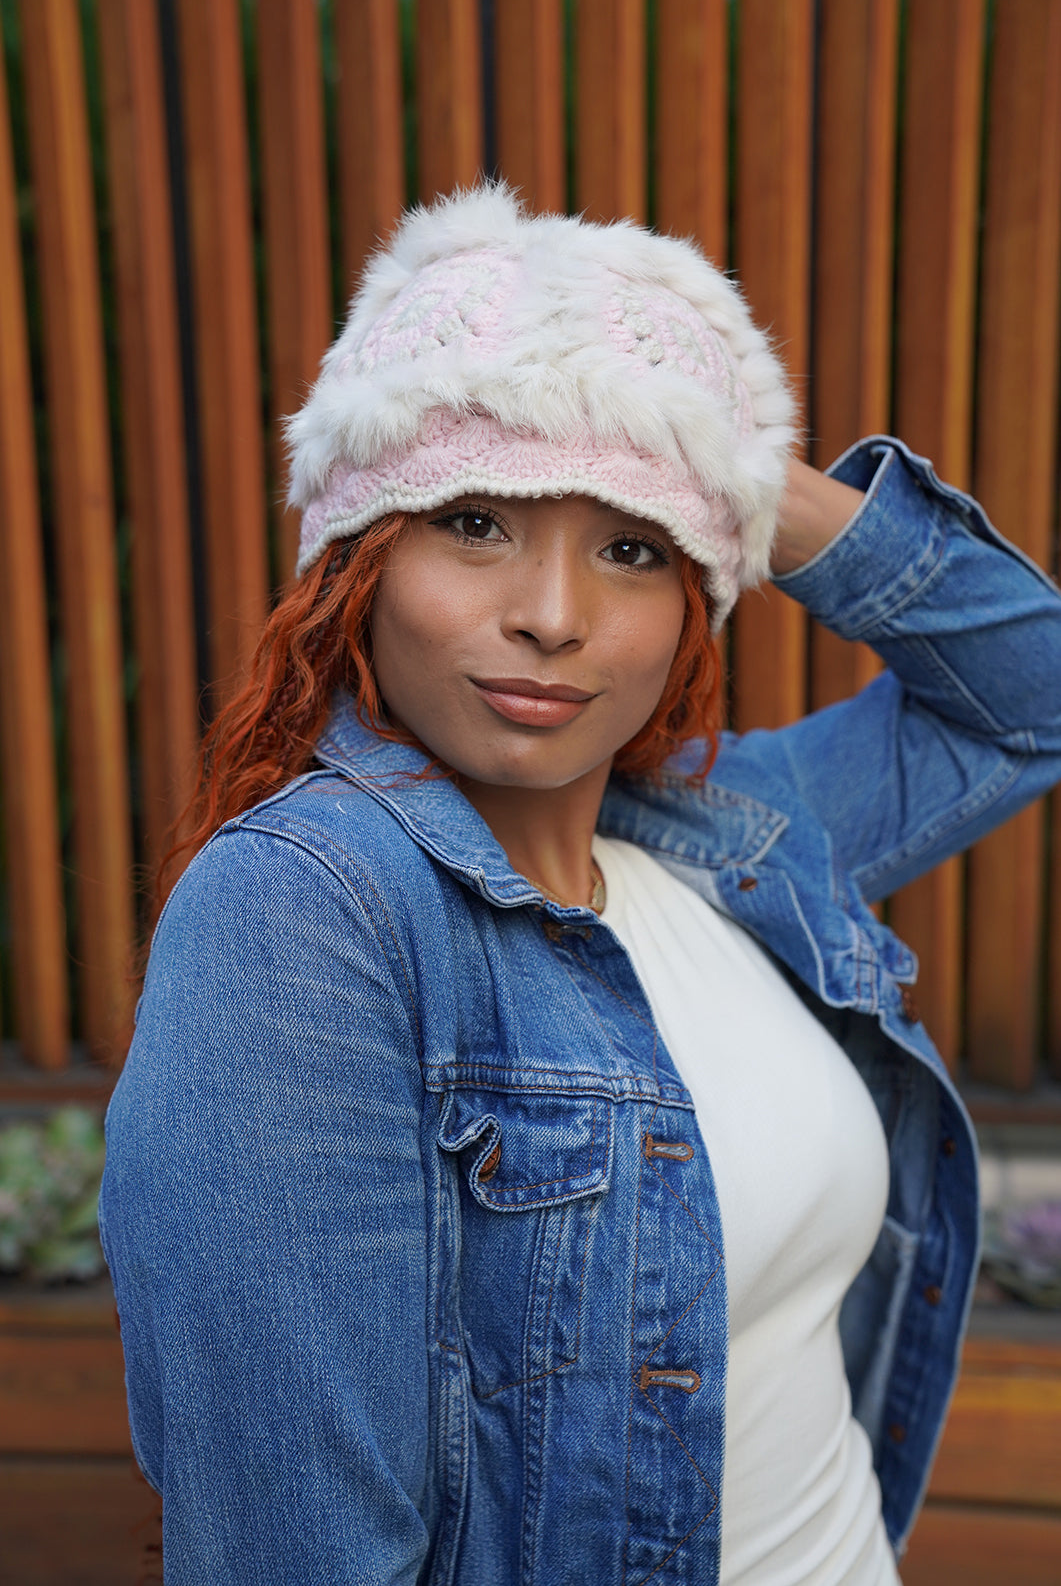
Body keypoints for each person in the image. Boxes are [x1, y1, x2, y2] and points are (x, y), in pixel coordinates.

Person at [100, 185, 1061, 1586]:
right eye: (475, 519)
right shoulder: (306, 915)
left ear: (693, 599)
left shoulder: (735, 835)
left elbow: (1027, 696)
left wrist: (737, 467)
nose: (552, 613)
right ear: (358, 566)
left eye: (629, 547)